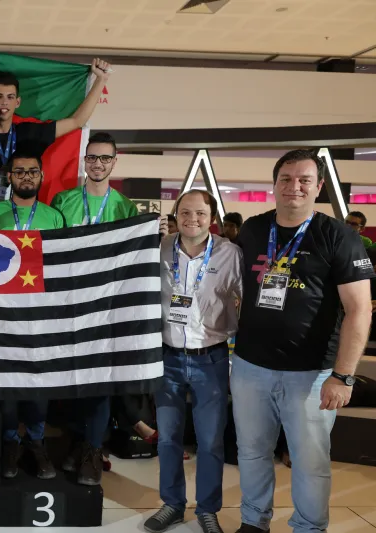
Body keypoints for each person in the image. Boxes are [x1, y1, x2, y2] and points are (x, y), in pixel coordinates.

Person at [232, 150, 373, 533]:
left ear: (319, 187)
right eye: (286, 178)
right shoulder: (253, 230)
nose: (294, 186)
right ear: (274, 184)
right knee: (252, 452)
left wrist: (343, 376)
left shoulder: (339, 236)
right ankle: (253, 522)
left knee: (309, 460)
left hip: (311, 374)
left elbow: (360, 310)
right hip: (249, 366)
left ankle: (309, 528)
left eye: (304, 180)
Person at [144, 190, 242, 533]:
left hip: (211, 358)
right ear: (176, 214)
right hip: (167, 357)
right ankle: (172, 504)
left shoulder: (231, 253)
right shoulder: (159, 246)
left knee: (210, 440)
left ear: (211, 216)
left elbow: (247, 299)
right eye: (185, 213)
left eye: (200, 213)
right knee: (169, 438)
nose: (192, 219)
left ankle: (208, 509)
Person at [50, 132, 138, 486]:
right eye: (92, 158)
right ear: (84, 161)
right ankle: (74, 442)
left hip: (106, 308)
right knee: (72, 380)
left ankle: (91, 449)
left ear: (115, 162)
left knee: (101, 382)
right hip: (69, 304)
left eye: (105, 158)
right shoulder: (64, 200)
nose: (98, 164)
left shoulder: (125, 207)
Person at [0, 145, 62, 480]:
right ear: (9, 177)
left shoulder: (53, 216)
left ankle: (37, 442)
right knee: (8, 382)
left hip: (40, 313)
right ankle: (11, 442)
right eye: (20, 172)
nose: (26, 177)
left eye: (32, 172)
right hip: (1, 313)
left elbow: (61, 263)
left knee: (38, 381)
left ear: (41, 177)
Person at [0, 62, 110, 202]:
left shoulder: (30, 133)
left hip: (22, 215)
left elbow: (77, 121)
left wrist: (101, 79)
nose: (4, 102)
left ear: (18, 102)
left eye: (10, 97)